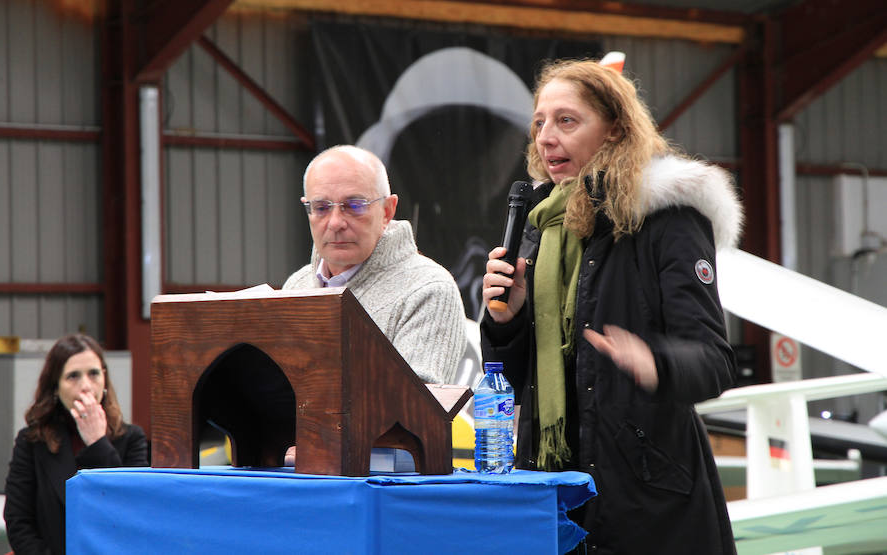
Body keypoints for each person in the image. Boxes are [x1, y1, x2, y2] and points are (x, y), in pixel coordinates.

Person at [480, 56, 742, 554]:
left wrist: (655, 361)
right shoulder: (543, 227)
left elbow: (715, 361)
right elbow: (508, 381)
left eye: (566, 120)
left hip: (648, 504)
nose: (546, 137)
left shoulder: (669, 221)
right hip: (553, 498)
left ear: (616, 131)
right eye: (539, 123)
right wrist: (505, 320)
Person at [283, 144, 467, 385]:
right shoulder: (296, 286)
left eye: (354, 205)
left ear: (388, 211)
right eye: (321, 208)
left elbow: (414, 410)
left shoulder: (429, 289)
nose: (336, 222)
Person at [3, 334, 148, 554]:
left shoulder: (132, 439)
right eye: (73, 376)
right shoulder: (32, 441)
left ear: (105, 378)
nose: (86, 386)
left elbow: (130, 512)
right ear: (55, 386)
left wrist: (97, 443)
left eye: (93, 374)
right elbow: (18, 522)